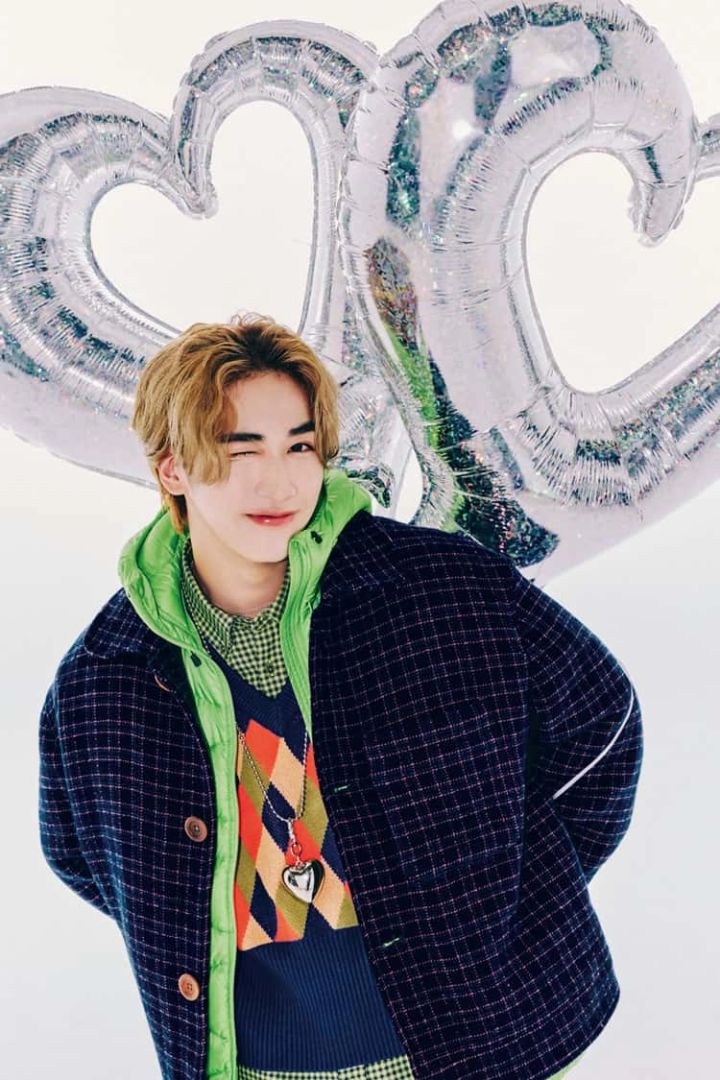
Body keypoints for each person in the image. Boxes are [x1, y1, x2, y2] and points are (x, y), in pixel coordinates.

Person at [38, 314, 643, 1080]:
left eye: (299, 446)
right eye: (240, 450)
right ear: (173, 469)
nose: (279, 481)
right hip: (258, 1066)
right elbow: (83, 855)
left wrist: (513, 898)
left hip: (488, 1050)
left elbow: (602, 730)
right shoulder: (104, 677)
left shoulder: (448, 592)